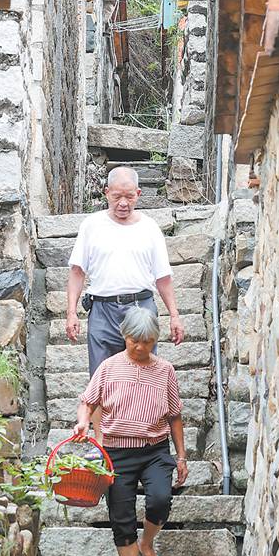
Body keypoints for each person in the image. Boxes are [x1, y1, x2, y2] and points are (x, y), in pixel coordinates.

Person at [74, 306, 188, 556]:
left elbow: (175, 416)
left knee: (161, 499)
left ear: (155, 340)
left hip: (154, 450)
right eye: (135, 340)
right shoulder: (109, 367)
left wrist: (181, 456)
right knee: (121, 518)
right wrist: (84, 422)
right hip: (116, 453)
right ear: (124, 336)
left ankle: (147, 545)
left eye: (148, 341)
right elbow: (88, 402)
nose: (141, 347)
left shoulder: (165, 371)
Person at [66, 166, 185, 438]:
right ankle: (101, 441)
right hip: (102, 308)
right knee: (100, 375)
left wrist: (175, 315)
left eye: (129, 197)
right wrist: (71, 312)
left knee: (144, 371)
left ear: (139, 194)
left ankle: (145, 435)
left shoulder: (150, 228)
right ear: (106, 192)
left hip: (141, 307)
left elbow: (163, 277)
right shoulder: (92, 225)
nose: (123, 203)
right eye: (117, 196)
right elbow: (77, 271)